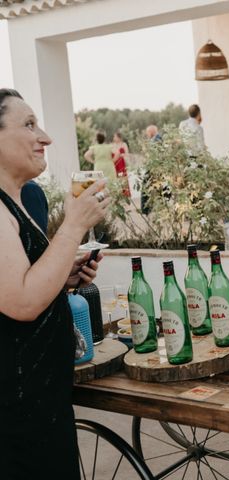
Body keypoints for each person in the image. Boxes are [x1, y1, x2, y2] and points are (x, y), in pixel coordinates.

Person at [0, 88, 110, 479]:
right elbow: (22, 303)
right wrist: (75, 224)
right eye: (29, 125)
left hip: (41, 401)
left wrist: (62, 278)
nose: (44, 137)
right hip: (15, 418)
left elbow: (21, 284)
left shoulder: (18, 200)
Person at [111, 130, 131, 197]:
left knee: (122, 177)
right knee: (116, 177)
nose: (114, 138)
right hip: (115, 163)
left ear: (119, 137)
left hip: (121, 163)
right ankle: (117, 193)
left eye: (115, 137)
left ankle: (125, 193)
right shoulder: (112, 145)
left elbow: (127, 154)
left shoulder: (123, 144)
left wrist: (120, 155)